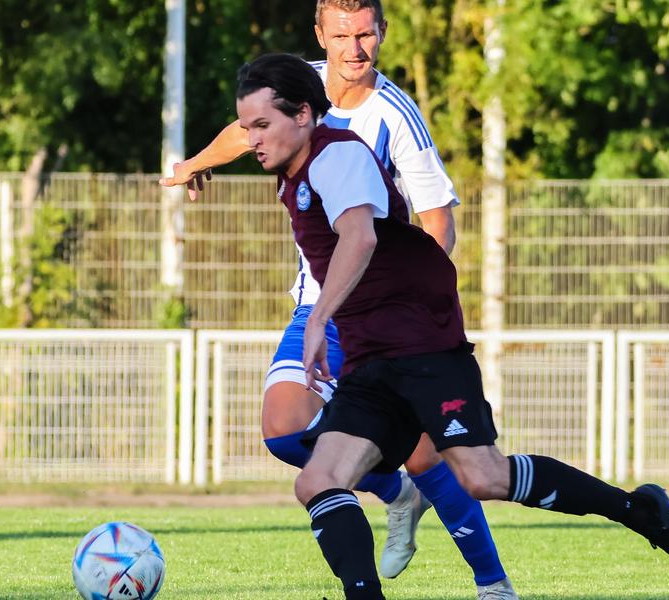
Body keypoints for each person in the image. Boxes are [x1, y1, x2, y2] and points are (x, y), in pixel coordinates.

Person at [232, 52, 669, 600]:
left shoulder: (334, 157)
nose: (250, 139)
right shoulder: (292, 163)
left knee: (483, 477)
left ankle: (639, 510)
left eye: (260, 125)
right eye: (247, 126)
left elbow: (360, 236)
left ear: (302, 115)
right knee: (318, 480)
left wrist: (318, 319)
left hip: (422, 345)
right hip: (372, 357)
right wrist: (194, 164)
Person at [160, 2, 515, 597]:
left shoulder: (397, 115)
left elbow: (438, 223)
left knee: (431, 454)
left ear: (382, 34)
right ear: (320, 36)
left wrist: (414, 309)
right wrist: (195, 164)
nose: (355, 48)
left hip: (387, 314)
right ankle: (392, 490)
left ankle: (493, 584)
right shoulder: (296, 89)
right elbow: (243, 131)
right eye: (342, 35)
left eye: (366, 34)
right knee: (283, 427)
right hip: (317, 305)